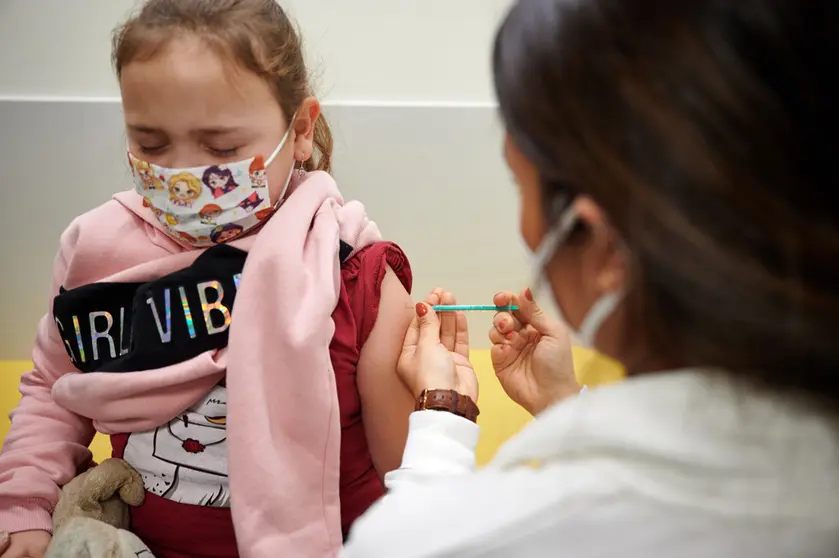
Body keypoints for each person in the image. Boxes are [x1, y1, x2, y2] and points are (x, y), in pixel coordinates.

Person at [342, 0, 839, 556]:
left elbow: (404, 545)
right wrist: (563, 402)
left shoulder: (524, 528)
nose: (526, 228)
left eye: (518, 184)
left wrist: (442, 417)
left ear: (606, 251)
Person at [0, 1, 418, 557]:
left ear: (299, 129)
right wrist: (24, 509)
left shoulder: (350, 271)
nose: (180, 176)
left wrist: (439, 397)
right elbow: (53, 394)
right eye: (150, 145)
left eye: (221, 148)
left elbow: (408, 480)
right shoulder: (96, 253)